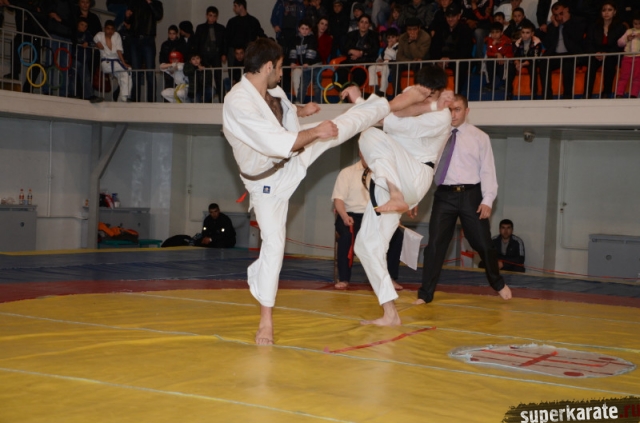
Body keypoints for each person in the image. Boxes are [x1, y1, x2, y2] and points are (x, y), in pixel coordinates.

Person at [222, 37, 430, 344]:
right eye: (279, 67)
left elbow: (281, 112)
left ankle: (392, 103)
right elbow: (275, 142)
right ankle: (266, 321)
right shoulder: (238, 102)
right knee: (274, 244)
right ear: (267, 67)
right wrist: (316, 131)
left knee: (341, 126)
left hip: (291, 159)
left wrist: (301, 111)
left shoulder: (270, 90)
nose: (282, 72)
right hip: (267, 184)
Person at [354, 64, 454, 326]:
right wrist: (421, 103)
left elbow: (389, 121)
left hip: (415, 174)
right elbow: (393, 109)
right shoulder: (415, 94)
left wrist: (361, 103)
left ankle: (396, 193)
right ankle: (390, 312)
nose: (426, 97)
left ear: (439, 92)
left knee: (369, 134)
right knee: (366, 246)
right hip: (391, 176)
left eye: (431, 95)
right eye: (422, 92)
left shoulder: (443, 115)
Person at [416, 94, 512, 305]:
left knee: (483, 244)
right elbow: (424, 168)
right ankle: (425, 295)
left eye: (457, 109)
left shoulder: (480, 137)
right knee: (434, 246)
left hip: (471, 195)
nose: (453, 114)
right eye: (449, 110)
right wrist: (414, 197)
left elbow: (488, 170)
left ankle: (497, 283)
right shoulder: (435, 135)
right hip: (444, 195)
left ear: (467, 111)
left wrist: (488, 200)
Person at [332, 152, 404, 290]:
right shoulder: (347, 173)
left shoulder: (383, 175)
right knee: (346, 236)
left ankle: (390, 278)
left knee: (397, 235)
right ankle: (344, 278)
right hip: (351, 216)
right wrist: (344, 216)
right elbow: (338, 200)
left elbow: (392, 200)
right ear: (361, 153)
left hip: (376, 216)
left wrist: (393, 219)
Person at [538, 1, 586, 100]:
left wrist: (566, 23)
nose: (559, 17)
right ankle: (547, 96)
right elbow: (547, 44)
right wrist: (555, 27)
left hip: (571, 54)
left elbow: (577, 38)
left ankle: (567, 96)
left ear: (566, 10)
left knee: (568, 65)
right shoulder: (552, 26)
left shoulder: (577, 22)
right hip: (556, 55)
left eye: (561, 13)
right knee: (543, 64)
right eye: (556, 15)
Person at [583, 1, 626, 99]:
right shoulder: (593, 26)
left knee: (610, 65)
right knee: (591, 65)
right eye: (604, 10)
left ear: (614, 12)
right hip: (596, 53)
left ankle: (606, 93)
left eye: (609, 10)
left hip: (611, 54)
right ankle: (587, 94)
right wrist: (595, 53)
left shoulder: (620, 27)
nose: (606, 13)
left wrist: (607, 54)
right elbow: (588, 42)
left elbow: (620, 45)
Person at [430, 3, 474, 93]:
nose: (450, 19)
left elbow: (465, 50)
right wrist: (439, 59)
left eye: (453, 16)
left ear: (458, 16)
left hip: (457, 59)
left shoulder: (465, 30)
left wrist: (450, 59)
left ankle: (456, 93)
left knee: (461, 67)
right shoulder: (440, 28)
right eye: (448, 17)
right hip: (440, 59)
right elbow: (434, 46)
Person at [127, 0, 163, 102]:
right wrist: (127, 16)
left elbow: (158, 16)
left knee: (150, 71)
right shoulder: (134, 3)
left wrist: (150, 3)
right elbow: (129, 21)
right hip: (135, 39)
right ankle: (135, 99)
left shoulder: (156, 3)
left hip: (148, 39)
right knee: (135, 71)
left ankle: (151, 100)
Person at [94, 19, 132, 102]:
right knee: (126, 72)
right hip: (106, 62)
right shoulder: (99, 35)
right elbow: (94, 41)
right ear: (104, 29)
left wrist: (124, 63)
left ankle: (122, 98)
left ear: (114, 30)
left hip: (116, 62)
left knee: (127, 72)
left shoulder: (116, 35)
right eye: (108, 28)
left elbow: (119, 51)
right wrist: (97, 44)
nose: (110, 31)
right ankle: (124, 96)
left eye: (112, 29)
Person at [338, 14, 379, 85]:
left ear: (369, 25)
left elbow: (374, 50)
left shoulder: (374, 36)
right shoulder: (351, 35)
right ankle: (343, 90)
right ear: (358, 24)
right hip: (351, 60)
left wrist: (361, 53)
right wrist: (351, 51)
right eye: (362, 22)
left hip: (365, 61)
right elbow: (344, 48)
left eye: (366, 22)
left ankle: (355, 90)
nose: (363, 25)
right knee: (342, 69)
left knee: (358, 73)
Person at [506, 20, 542, 99]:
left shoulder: (537, 42)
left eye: (527, 33)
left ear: (532, 33)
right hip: (521, 61)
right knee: (510, 66)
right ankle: (509, 92)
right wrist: (517, 63)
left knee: (533, 68)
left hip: (533, 61)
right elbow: (515, 56)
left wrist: (522, 64)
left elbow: (534, 58)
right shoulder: (517, 42)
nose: (524, 35)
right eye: (523, 32)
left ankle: (533, 93)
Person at [195, 6, 227, 95]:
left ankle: (222, 99)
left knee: (218, 77)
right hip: (204, 54)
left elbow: (224, 42)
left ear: (217, 17)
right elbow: (197, 43)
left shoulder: (221, 28)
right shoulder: (200, 28)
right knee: (206, 77)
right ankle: (207, 99)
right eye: (210, 15)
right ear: (206, 16)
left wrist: (224, 54)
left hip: (216, 54)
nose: (212, 18)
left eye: (214, 16)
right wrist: (197, 56)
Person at [289, 18, 321, 103]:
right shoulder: (295, 39)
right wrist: (292, 62)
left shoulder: (312, 38)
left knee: (317, 85)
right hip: (305, 67)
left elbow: (311, 51)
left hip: (315, 65)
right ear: (299, 29)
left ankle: (318, 102)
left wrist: (307, 62)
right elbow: (293, 51)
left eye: (307, 29)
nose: (304, 31)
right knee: (302, 85)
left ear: (310, 29)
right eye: (302, 28)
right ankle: (299, 101)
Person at [226, 0, 266, 65]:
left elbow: (261, 35)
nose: (234, 8)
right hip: (234, 56)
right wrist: (225, 53)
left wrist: (269, 43)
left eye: (235, 6)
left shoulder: (253, 21)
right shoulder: (232, 22)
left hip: (249, 54)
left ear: (241, 6)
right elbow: (227, 39)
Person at [615, 11, 640, 99]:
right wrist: (627, 39)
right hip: (627, 57)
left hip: (639, 57)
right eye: (635, 23)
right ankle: (619, 94)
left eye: (639, 24)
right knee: (623, 76)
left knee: (637, 77)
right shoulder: (628, 31)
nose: (637, 26)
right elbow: (619, 43)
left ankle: (634, 95)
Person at [368, 27, 399, 96]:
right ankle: (375, 87)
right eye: (389, 38)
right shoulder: (386, 48)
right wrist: (379, 60)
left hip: (392, 67)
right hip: (384, 65)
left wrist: (389, 48)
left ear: (397, 37)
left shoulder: (398, 47)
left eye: (393, 37)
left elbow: (395, 56)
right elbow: (380, 57)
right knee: (371, 68)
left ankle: (383, 90)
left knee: (385, 68)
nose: (391, 40)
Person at [73, 16, 97, 101]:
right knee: (72, 77)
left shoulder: (88, 34)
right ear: (78, 25)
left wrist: (88, 43)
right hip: (74, 59)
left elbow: (93, 43)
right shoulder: (73, 33)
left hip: (84, 61)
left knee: (86, 79)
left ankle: (89, 95)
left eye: (85, 26)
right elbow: (73, 42)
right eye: (82, 25)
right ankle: (72, 93)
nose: (83, 27)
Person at [483, 21, 512, 91]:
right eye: (492, 32)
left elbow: (504, 52)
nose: (494, 34)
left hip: (507, 60)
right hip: (495, 59)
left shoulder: (507, 40)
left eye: (497, 32)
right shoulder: (490, 40)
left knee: (502, 59)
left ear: (501, 32)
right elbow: (488, 53)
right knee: (489, 60)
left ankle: (505, 83)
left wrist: (498, 53)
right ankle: (491, 83)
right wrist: (496, 52)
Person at [159, 25, 181, 92]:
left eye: (173, 33)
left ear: (177, 34)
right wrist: (166, 66)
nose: (171, 35)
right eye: (170, 33)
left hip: (178, 69)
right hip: (167, 70)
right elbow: (161, 57)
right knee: (168, 88)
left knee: (178, 89)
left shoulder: (181, 44)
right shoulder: (164, 44)